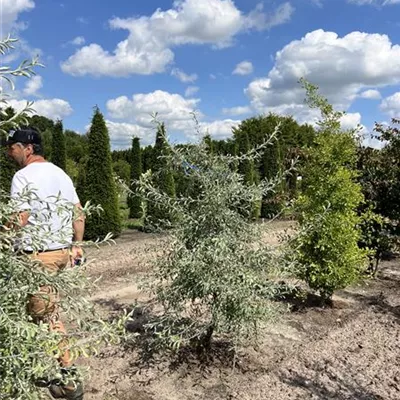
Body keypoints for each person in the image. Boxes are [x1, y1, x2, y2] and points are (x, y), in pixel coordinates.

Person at [5, 127, 85, 400]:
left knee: (48, 319)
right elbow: (78, 211)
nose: (8, 152)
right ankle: (33, 366)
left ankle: (71, 383)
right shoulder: (60, 173)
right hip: (60, 253)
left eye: (12, 146)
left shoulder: (23, 176)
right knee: (34, 314)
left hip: (38, 257)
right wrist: (77, 244)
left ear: (28, 148)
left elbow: (20, 217)